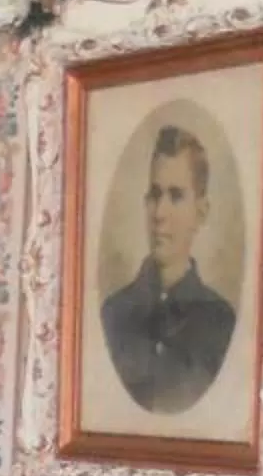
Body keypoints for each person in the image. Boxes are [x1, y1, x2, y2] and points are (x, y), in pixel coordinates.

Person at [99, 125, 236, 415]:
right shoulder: (113, 314)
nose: (160, 213)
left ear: (200, 213)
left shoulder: (221, 324)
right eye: (155, 194)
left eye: (175, 196)